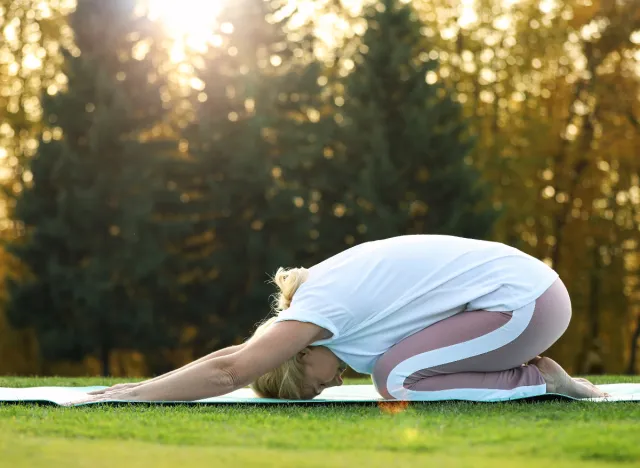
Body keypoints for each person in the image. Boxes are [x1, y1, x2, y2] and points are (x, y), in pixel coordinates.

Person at [72, 235, 607, 405]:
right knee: (395, 369)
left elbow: (230, 371)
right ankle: (538, 373)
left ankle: (545, 380)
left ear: (299, 354)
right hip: (525, 297)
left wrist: (130, 398)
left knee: (393, 378)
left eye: (314, 383)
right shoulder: (320, 306)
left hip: (525, 304)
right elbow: (230, 354)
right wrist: (139, 382)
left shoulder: (322, 311)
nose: (332, 383)